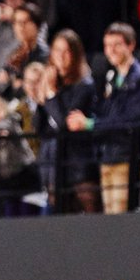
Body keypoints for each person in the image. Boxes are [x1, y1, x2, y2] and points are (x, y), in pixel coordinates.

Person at [67, 22, 140, 214]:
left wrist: (89, 123)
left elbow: (129, 120)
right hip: (108, 154)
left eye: (117, 44)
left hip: (128, 156)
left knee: (122, 214)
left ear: (131, 45)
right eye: (107, 45)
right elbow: (107, 113)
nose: (111, 50)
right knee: (110, 217)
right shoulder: (112, 78)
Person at [40, 30, 99, 213]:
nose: (61, 57)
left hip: (80, 166)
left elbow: (64, 124)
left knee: (91, 218)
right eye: (57, 51)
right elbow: (40, 127)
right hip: (55, 167)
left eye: (66, 52)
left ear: (75, 55)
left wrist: (50, 94)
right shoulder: (55, 86)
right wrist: (42, 95)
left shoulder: (85, 86)